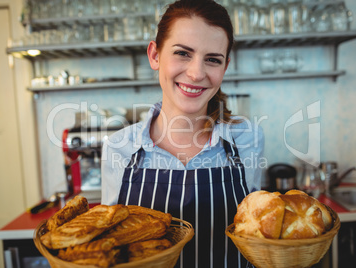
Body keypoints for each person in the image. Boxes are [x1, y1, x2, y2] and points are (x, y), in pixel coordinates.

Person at [101, 0, 264, 267]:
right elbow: (111, 246)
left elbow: (257, 239)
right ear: (155, 55)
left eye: (212, 59)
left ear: (225, 67)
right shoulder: (119, 147)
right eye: (183, 53)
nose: (196, 73)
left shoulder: (247, 139)